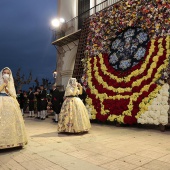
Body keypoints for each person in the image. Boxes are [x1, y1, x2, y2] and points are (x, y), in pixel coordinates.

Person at [0, 67, 28, 149]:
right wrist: (4, 84)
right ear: (1, 74)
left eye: (8, 73)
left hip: (10, 101)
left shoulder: (11, 82)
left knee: (11, 121)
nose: (6, 74)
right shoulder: (1, 81)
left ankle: (14, 141)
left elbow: (12, 93)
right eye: (4, 72)